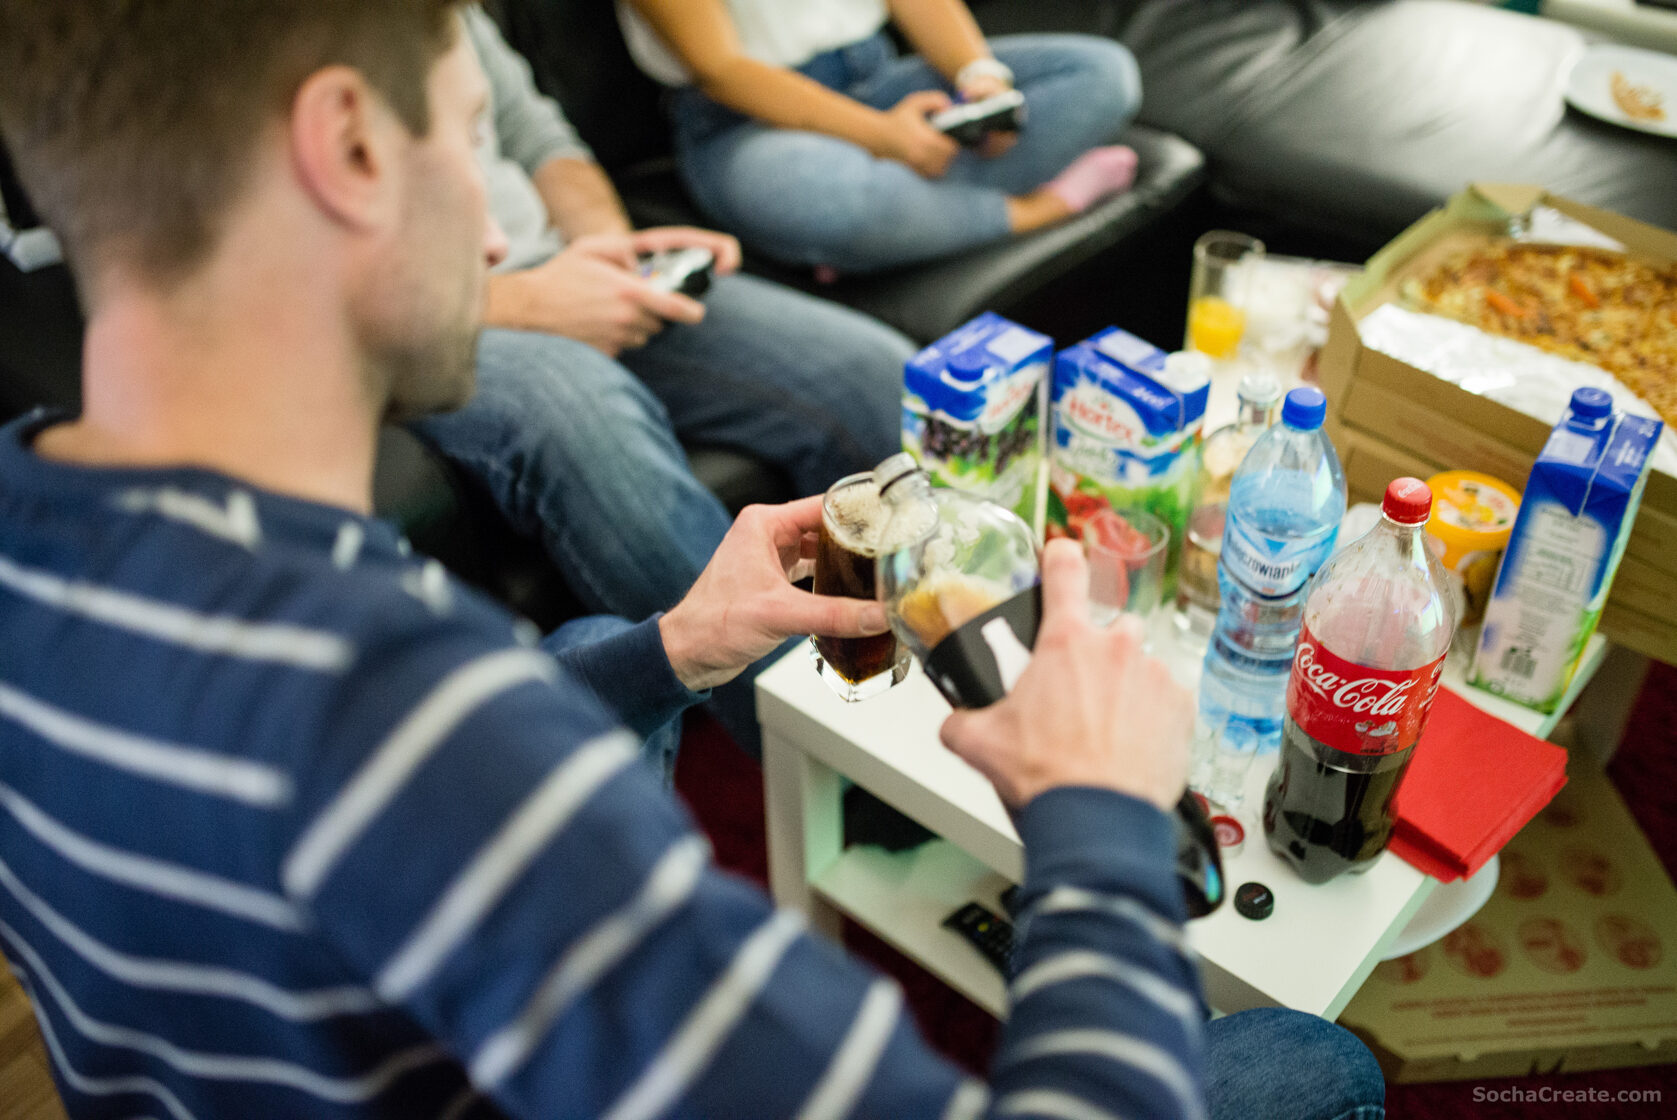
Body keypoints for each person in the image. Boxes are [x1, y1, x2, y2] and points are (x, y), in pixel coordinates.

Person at [0, 3, 1386, 1118]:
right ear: (351, 145)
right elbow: (445, 763)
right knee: (1311, 1067)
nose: (497, 232)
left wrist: (665, 648)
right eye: (466, 138)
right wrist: (1101, 822)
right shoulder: (420, 728)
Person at [410, 8, 914, 756]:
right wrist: (520, 301)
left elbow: (537, 137)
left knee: (873, 374)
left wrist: (611, 256)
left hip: (562, 266)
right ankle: (841, 763)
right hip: (435, 321)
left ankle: (935, 672)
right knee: (583, 411)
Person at [619, 0, 1144, 273]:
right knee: (825, 192)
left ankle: (897, 227)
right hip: (749, 123)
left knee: (1102, 76)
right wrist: (881, 137)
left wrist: (981, 80)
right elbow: (721, 70)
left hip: (874, 79)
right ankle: (1038, 208)